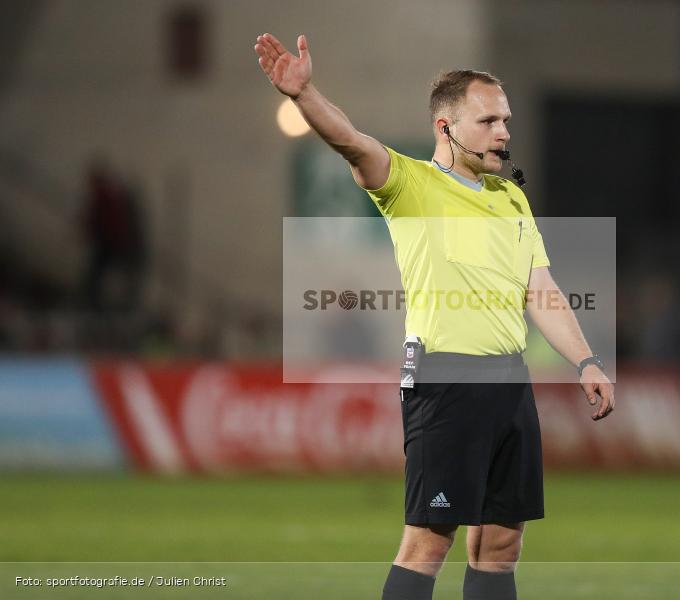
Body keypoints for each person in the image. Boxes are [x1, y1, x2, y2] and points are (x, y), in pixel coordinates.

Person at [255, 32, 615, 600]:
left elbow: (539, 288)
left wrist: (587, 360)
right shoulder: (412, 186)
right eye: (489, 121)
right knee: (429, 542)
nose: (504, 132)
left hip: (509, 380)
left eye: (506, 120)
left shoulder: (511, 198)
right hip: (446, 377)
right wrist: (304, 97)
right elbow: (351, 142)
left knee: (501, 545)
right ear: (446, 128)